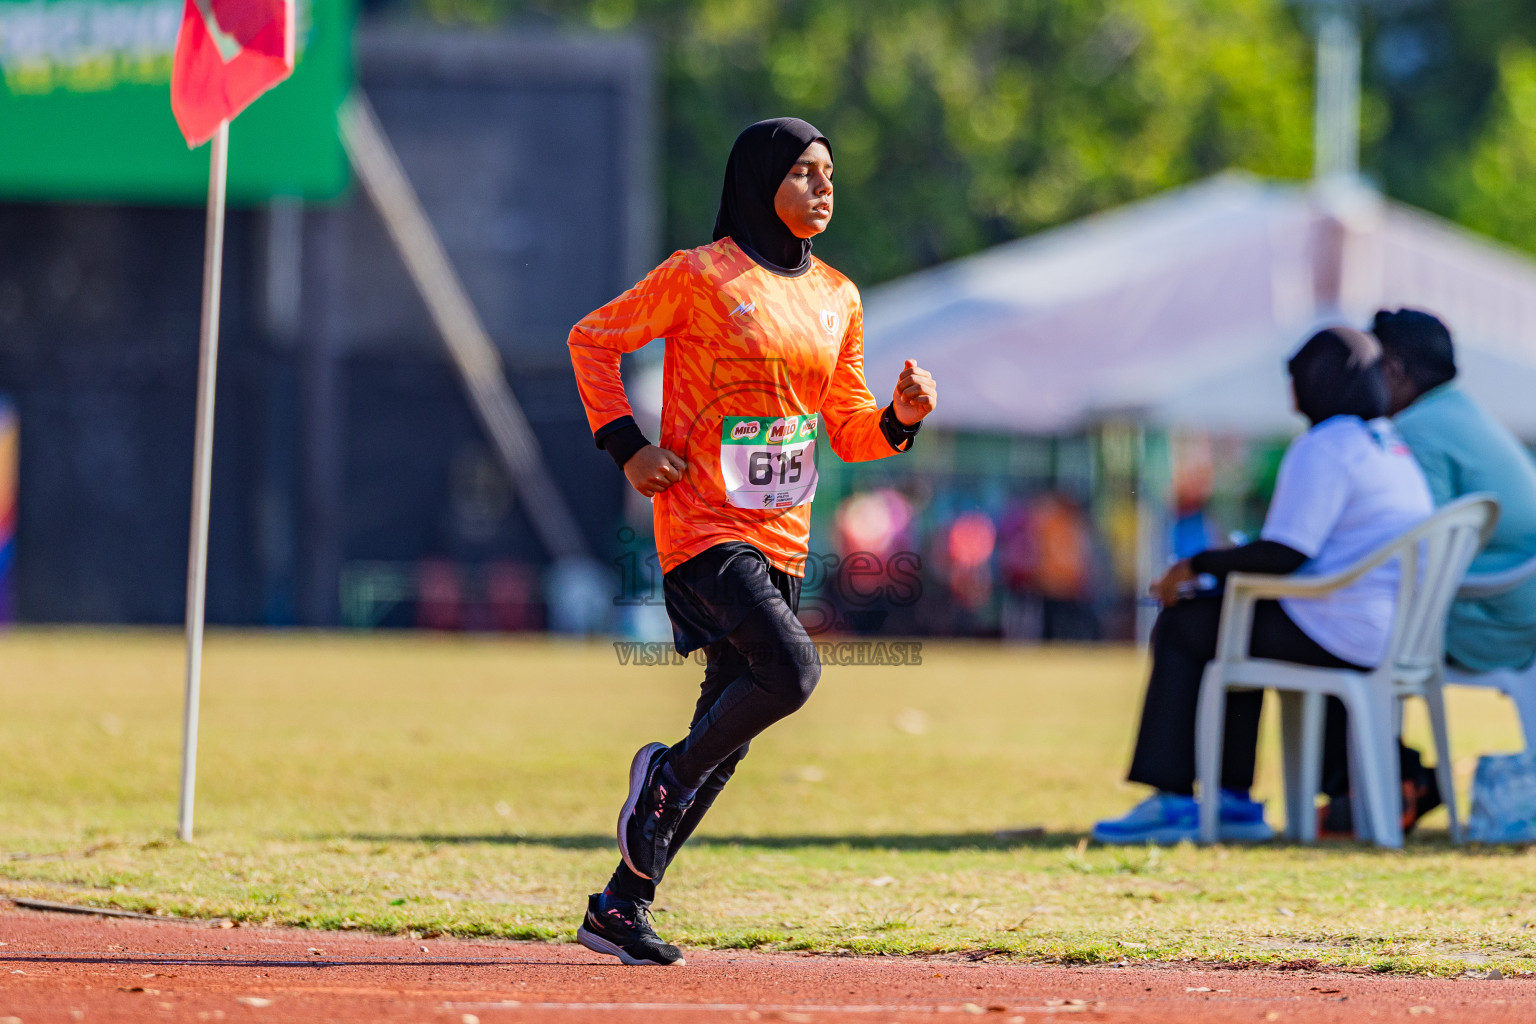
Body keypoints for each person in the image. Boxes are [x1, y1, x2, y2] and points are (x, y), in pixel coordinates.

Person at [565, 118, 938, 965]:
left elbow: (846, 429)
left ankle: (620, 907)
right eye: (804, 172)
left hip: (784, 538)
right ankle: (662, 779)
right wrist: (628, 446)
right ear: (759, 178)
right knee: (794, 671)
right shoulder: (699, 276)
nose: (823, 188)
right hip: (702, 525)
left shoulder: (839, 296)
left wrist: (899, 420)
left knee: (725, 736)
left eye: (830, 174)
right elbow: (593, 341)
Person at [1092, 327, 1433, 845]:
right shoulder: (1389, 446)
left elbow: (1284, 554)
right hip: (1389, 631)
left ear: (1315, 382)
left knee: (1186, 623)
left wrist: (1197, 564)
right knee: (1229, 619)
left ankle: (1176, 800)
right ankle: (1230, 799)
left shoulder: (1326, 444)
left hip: (1340, 629)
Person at [1312, 309, 1536, 836]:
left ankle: (1386, 783)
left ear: (1392, 369)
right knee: (1337, 627)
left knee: (1332, 633)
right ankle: (1388, 780)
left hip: (1492, 620)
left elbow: (1407, 541)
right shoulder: (1462, 412)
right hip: (1511, 606)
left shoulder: (1416, 428)